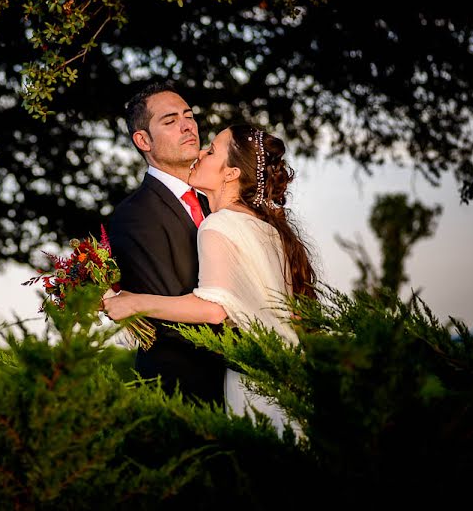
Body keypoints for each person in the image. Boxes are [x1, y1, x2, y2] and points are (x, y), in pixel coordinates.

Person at [104, 123, 317, 434]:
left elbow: (215, 309)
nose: (201, 153)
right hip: (288, 373)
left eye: (212, 151)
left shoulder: (217, 225)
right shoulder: (268, 228)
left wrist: (131, 303)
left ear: (230, 173)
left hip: (251, 379)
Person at [106, 82, 225, 408]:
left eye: (188, 116)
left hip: (239, 381)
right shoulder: (134, 216)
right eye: (170, 121)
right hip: (184, 392)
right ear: (143, 140)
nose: (188, 125)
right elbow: (168, 316)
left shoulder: (218, 202)